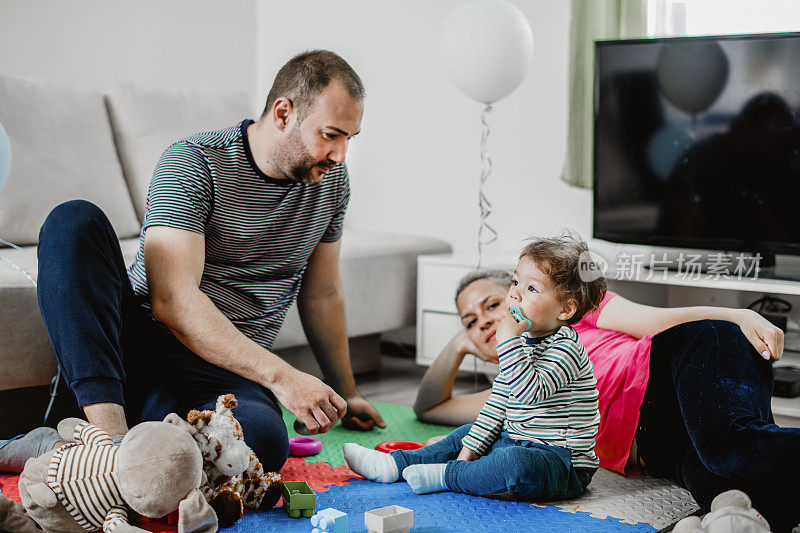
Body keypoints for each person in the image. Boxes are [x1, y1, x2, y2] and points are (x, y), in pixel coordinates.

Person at [0, 50, 385, 476]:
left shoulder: (330, 184)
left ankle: (78, 449)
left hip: (229, 370)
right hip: (141, 348)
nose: (341, 155)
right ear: (283, 113)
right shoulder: (195, 160)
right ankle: (111, 444)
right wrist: (284, 378)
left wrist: (346, 393)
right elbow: (173, 301)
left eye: (350, 138)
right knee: (72, 221)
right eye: (332, 135)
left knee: (263, 443)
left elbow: (323, 292)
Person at [412, 265, 800, 532]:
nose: (482, 321)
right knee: (738, 494)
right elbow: (430, 406)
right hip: (658, 450)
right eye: (470, 320)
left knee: (729, 449)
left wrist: (736, 316)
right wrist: (460, 343)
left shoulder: (578, 311)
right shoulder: (513, 390)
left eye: (492, 305)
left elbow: (662, 320)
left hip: (677, 365)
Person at [343, 235, 606, 501]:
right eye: (515, 282)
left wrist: (508, 341)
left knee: (515, 464)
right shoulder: (523, 344)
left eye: (531, 288)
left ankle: (447, 476)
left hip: (562, 463)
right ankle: (395, 465)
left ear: (565, 308)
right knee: (466, 433)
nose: (513, 294)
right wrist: (468, 453)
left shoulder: (566, 346)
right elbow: (496, 406)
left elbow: (529, 394)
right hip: (517, 440)